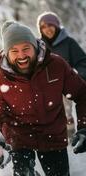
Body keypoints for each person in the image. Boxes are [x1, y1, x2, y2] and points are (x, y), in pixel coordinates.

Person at [0, 20, 86, 176]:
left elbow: (82, 94)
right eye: (14, 51)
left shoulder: (56, 65)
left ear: (35, 46)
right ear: (7, 53)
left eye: (26, 48)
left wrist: (84, 128)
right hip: (18, 139)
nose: (21, 55)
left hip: (53, 136)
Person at [37, 11, 86, 142]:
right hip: (45, 86)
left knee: (65, 111)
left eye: (50, 25)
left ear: (57, 26)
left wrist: (78, 76)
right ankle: (52, 138)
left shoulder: (69, 43)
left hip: (64, 84)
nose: (47, 29)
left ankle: (69, 137)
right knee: (48, 114)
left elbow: (82, 62)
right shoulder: (39, 45)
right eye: (43, 27)